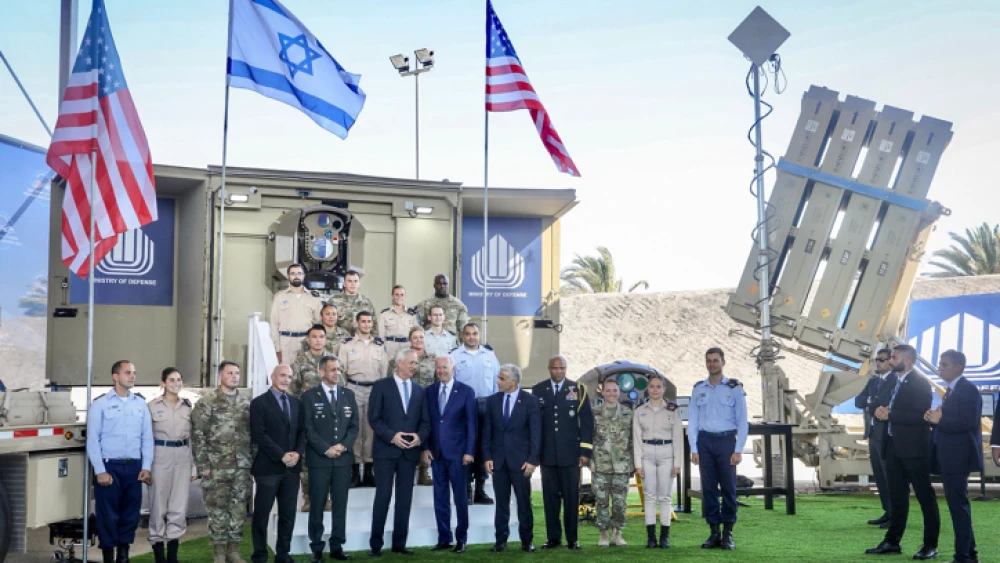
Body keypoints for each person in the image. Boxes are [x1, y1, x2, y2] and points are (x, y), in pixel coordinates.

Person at [866, 344, 939, 560]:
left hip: (914, 449)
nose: (890, 360)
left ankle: (930, 545)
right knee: (897, 497)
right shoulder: (896, 381)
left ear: (907, 361)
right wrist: (883, 411)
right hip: (894, 447)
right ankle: (892, 541)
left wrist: (891, 415)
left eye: (894, 357)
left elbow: (921, 416)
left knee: (925, 498)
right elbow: (896, 409)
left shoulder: (919, 383)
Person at [87, 360, 154, 563]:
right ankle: (108, 555)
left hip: (133, 466)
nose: (132, 376)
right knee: (107, 514)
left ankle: (123, 555)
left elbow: (147, 438)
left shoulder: (140, 404)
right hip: (109, 467)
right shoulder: (100, 404)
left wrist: (146, 466)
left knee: (130, 513)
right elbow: (93, 440)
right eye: (127, 372)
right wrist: (100, 470)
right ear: (115, 377)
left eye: (133, 373)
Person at [367, 348, 432, 556]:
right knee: (383, 497)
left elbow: (425, 421)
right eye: (411, 362)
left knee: (404, 499)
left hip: (409, 454)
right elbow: (374, 418)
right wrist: (392, 436)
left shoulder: (419, 390)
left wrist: (419, 437)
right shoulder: (381, 386)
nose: (415, 366)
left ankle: (399, 544)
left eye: (416, 363)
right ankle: (375, 545)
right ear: (400, 363)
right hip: (385, 452)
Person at [191, 361, 252, 563]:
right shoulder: (207, 402)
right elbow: (198, 435)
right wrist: (203, 465)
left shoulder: (246, 403)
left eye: (237, 373)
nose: (235, 376)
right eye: (230, 373)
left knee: (238, 509)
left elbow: (253, 434)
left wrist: (252, 462)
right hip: (216, 466)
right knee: (217, 510)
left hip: (241, 465)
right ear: (220, 376)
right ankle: (218, 552)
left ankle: (233, 550)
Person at [688, 347, 748, 551]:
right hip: (705, 441)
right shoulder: (699, 388)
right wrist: (694, 448)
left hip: (726, 442)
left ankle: (728, 533)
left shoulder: (734, 388)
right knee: (709, 488)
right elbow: (693, 420)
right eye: (709, 360)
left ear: (723, 362)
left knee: (729, 488)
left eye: (715, 360)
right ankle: (714, 532)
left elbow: (742, 421)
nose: (712, 364)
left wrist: (738, 449)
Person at [532, 355, 593, 551]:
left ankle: (572, 539)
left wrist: (585, 451)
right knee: (550, 499)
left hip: (571, 455)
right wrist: (536, 452)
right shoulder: (538, 390)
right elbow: (535, 423)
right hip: (548, 454)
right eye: (555, 368)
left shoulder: (578, 389)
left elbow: (587, 422)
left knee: (571, 498)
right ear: (549, 368)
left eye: (562, 368)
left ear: (566, 369)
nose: (558, 371)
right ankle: (553, 538)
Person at [925, 350, 980, 563]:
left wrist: (940, 421)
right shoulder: (951, 390)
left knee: (958, 507)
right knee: (957, 506)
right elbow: (951, 421)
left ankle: (963, 557)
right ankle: (969, 554)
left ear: (959, 367)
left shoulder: (968, 390)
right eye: (940, 364)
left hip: (958, 457)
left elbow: (968, 423)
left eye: (944, 365)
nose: (940, 368)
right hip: (949, 455)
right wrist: (933, 419)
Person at [302, 355, 358, 562]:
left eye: (338, 369)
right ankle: (316, 548)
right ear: (322, 372)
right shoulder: (309, 397)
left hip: (343, 460)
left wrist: (342, 446)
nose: (337, 373)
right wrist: (326, 449)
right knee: (317, 504)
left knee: (340, 505)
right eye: (333, 369)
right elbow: (308, 428)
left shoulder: (348, 395)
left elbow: (354, 426)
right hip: (320, 460)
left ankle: (337, 546)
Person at [249, 365, 305, 563]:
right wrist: (281, 455)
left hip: (292, 469)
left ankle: (283, 554)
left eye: (289, 376)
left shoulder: (296, 403)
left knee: (288, 514)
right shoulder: (259, 403)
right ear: (273, 377)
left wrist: (297, 453)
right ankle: (260, 555)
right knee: (261, 515)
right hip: (268, 468)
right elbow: (259, 434)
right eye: (282, 375)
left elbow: (302, 432)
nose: (286, 380)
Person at [421, 356, 478, 553]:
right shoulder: (429, 391)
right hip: (436, 454)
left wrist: (469, 451)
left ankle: (461, 539)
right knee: (440, 498)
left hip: (459, 455)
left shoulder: (466, 391)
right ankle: (444, 538)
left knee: (460, 498)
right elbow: (425, 422)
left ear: (453, 369)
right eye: (438, 367)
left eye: (445, 367)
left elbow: (472, 425)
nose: (441, 371)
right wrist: (425, 447)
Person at [483, 364, 540, 553]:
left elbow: (536, 433)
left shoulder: (530, 401)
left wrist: (532, 460)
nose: (497, 382)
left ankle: (526, 541)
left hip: (522, 463)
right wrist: (487, 456)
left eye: (502, 378)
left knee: (524, 502)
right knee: (501, 503)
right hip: (498, 461)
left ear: (513, 382)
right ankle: (500, 540)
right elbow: (487, 431)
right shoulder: (492, 401)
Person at [148, 368, 197, 563]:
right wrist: (146, 466)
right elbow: (145, 438)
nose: (176, 383)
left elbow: (192, 439)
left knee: (178, 507)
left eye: (179, 380)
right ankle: (159, 555)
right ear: (163, 383)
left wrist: (193, 466)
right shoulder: (152, 406)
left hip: (182, 457)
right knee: (158, 506)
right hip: (160, 456)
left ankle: (172, 557)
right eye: (171, 380)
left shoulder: (187, 408)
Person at [450, 323, 499, 504]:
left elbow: (496, 381)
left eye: (475, 334)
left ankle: (480, 489)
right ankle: (466, 489)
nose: (471, 337)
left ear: (479, 335)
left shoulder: (489, 355)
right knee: (465, 446)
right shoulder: (454, 356)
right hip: (464, 406)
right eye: (468, 334)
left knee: (483, 446)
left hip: (486, 405)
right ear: (462, 336)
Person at [633, 374, 683, 548]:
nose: (655, 390)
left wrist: (677, 463)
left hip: (666, 453)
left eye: (658, 386)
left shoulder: (672, 410)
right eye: (652, 386)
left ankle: (664, 537)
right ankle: (651, 537)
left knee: (665, 496)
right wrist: (638, 463)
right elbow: (636, 438)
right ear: (647, 388)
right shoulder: (640, 410)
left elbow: (678, 437)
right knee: (649, 496)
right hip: (646, 452)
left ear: (664, 389)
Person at [340, 311, 389, 487]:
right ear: (356, 323)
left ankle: (368, 469)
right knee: (355, 428)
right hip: (353, 388)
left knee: (371, 429)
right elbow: (341, 371)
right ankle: (354, 471)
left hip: (374, 389)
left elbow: (384, 371)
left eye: (369, 321)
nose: (367, 324)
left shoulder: (379, 345)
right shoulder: (347, 345)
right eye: (363, 321)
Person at [388, 327, 437, 484]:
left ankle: (424, 470)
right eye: (415, 337)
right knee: (407, 431)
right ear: (409, 339)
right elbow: (391, 381)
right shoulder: (399, 358)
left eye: (421, 337)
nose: (418, 340)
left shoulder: (433, 359)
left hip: (427, 401)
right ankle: (402, 468)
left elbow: (437, 381)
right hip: (406, 402)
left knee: (424, 433)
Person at [591, 378, 633, 547]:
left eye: (614, 390)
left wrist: (633, 462)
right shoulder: (594, 413)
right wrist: (590, 461)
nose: (611, 393)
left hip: (622, 465)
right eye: (608, 390)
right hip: (600, 464)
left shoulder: (628, 413)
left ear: (619, 392)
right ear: (602, 392)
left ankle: (617, 533)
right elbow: (588, 438)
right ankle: (603, 534)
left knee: (619, 503)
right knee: (601, 501)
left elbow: (633, 439)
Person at [292, 325, 330, 511]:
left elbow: (341, 385)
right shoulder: (300, 361)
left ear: (325, 339)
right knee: (306, 460)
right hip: (307, 417)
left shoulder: (332, 360)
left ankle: (326, 498)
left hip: (329, 417)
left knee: (327, 456)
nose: (318, 340)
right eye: (314, 337)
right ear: (308, 340)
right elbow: (293, 390)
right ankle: (308, 498)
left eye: (321, 336)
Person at [855, 348, 894, 528]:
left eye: (882, 360)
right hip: (872, 433)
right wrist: (873, 399)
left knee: (889, 475)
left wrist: (872, 400)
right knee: (879, 475)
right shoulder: (873, 381)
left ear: (891, 362)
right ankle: (888, 511)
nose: (878, 362)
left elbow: (884, 401)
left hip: (886, 434)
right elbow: (858, 401)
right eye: (877, 359)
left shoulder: (895, 380)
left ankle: (895, 514)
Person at [270, 263, 323, 364]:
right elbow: (274, 324)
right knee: (286, 372)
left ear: (303, 275)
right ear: (288, 276)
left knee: (307, 371)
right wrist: (277, 348)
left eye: (299, 273)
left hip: (307, 341)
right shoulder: (280, 297)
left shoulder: (313, 297)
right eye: (293, 274)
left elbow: (319, 323)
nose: (296, 276)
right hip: (286, 343)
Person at [330, 270, 378, 336]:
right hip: (341, 339)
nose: (353, 284)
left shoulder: (367, 302)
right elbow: (327, 324)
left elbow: (374, 326)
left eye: (355, 281)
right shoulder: (333, 301)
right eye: (350, 281)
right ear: (344, 284)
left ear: (359, 284)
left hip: (361, 340)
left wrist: (374, 340)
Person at [378, 285, 420, 359]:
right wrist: (382, 349)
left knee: (406, 365)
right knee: (389, 365)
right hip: (390, 346)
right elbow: (381, 335)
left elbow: (416, 333)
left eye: (402, 295)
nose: (399, 297)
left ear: (405, 296)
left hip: (406, 345)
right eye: (397, 294)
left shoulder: (412, 314)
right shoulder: (384, 314)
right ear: (392, 296)